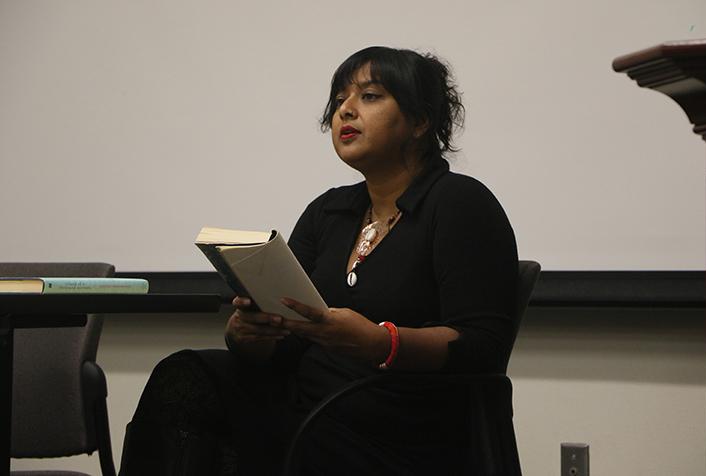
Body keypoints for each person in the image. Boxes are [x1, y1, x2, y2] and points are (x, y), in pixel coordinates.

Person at [119, 46, 518, 476]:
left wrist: (381, 342)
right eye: (340, 99)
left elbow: (483, 346)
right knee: (186, 376)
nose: (345, 110)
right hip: (308, 406)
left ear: (420, 120)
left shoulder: (460, 203)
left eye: (369, 96)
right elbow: (291, 342)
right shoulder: (328, 211)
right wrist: (253, 337)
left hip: (401, 429)